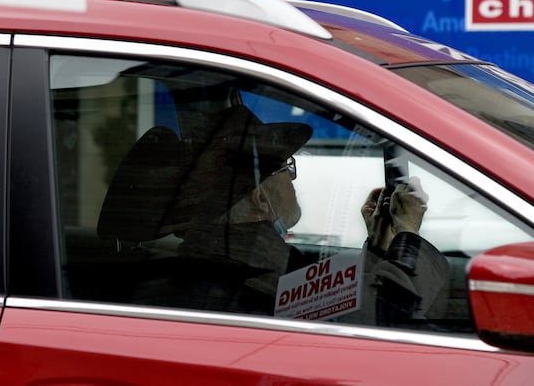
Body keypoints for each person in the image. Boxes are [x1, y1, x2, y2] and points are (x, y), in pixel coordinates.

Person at [171, 104, 449, 325]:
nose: (293, 179)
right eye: (286, 168)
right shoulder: (253, 273)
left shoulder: (232, 256)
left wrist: (378, 244)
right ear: (259, 198)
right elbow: (387, 318)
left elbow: (339, 301)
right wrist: (408, 234)